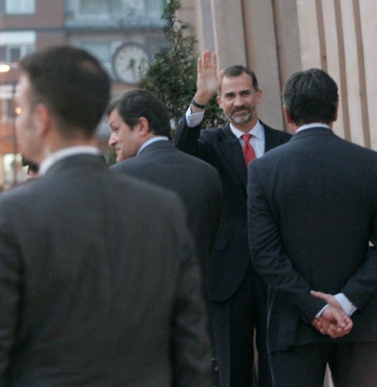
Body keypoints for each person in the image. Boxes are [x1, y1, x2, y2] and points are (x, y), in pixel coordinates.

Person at [0, 45, 212, 386]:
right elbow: (191, 348)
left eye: (21, 109)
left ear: (41, 120)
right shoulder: (163, 211)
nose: (17, 119)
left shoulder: (11, 217)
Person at [247, 68, 377, 387]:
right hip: (359, 322)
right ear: (335, 110)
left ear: (287, 114)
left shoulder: (264, 170)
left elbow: (265, 255)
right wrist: (346, 301)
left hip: (292, 322)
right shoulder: (370, 163)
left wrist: (315, 307)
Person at [174, 50, 291, 387]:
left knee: (278, 365)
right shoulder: (209, 142)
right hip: (228, 274)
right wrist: (200, 99)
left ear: (258, 95)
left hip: (278, 270)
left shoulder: (285, 144)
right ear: (221, 103)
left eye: (244, 93)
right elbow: (181, 149)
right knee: (232, 371)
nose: (238, 102)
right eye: (229, 96)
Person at [107, 89, 223, 384]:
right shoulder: (208, 174)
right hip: (201, 329)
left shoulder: (116, 178)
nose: (111, 140)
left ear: (142, 126)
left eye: (116, 129)